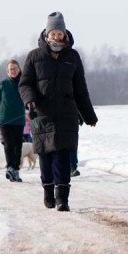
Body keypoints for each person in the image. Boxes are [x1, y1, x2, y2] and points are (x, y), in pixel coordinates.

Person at [19, 11, 97, 211]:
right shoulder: (34, 56)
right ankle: (48, 190)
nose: (56, 37)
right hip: (41, 114)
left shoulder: (72, 56)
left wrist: (88, 115)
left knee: (63, 155)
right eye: (52, 33)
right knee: (45, 155)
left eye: (59, 33)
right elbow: (25, 84)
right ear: (47, 33)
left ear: (64, 34)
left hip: (66, 114)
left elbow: (80, 88)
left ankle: (62, 198)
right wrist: (30, 101)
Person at [0, 60, 27, 182]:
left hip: (19, 121)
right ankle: (10, 168)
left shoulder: (24, 84)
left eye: (15, 69)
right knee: (9, 145)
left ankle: (15, 170)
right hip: (4, 120)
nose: (13, 71)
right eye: (10, 69)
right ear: (7, 71)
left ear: (19, 69)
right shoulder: (3, 84)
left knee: (18, 147)